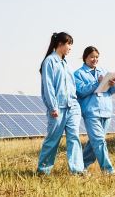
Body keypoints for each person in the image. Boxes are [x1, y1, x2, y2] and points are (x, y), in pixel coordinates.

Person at [36, 32, 85, 175]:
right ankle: (43, 171)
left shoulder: (66, 64)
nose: (70, 48)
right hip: (58, 108)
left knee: (74, 137)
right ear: (60, 44)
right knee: (52, 139)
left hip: (73, 107)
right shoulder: (49, 61)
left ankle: (77, 170)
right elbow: (48, 86)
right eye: (69, 44)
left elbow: (72, 86)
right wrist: (53, 107)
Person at [74, 46, 115, 174]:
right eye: (92, 57)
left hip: (106, 110)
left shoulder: (104, 71)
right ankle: (108, 170)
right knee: (99, 141)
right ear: (85, 58)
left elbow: (113, 91)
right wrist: (97, 84)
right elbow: (81, 91)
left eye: (97, 57)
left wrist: (113, 84)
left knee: (94, 143)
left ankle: (80, 167)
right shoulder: (78, 74)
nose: (95, 59)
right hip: (91, 112)